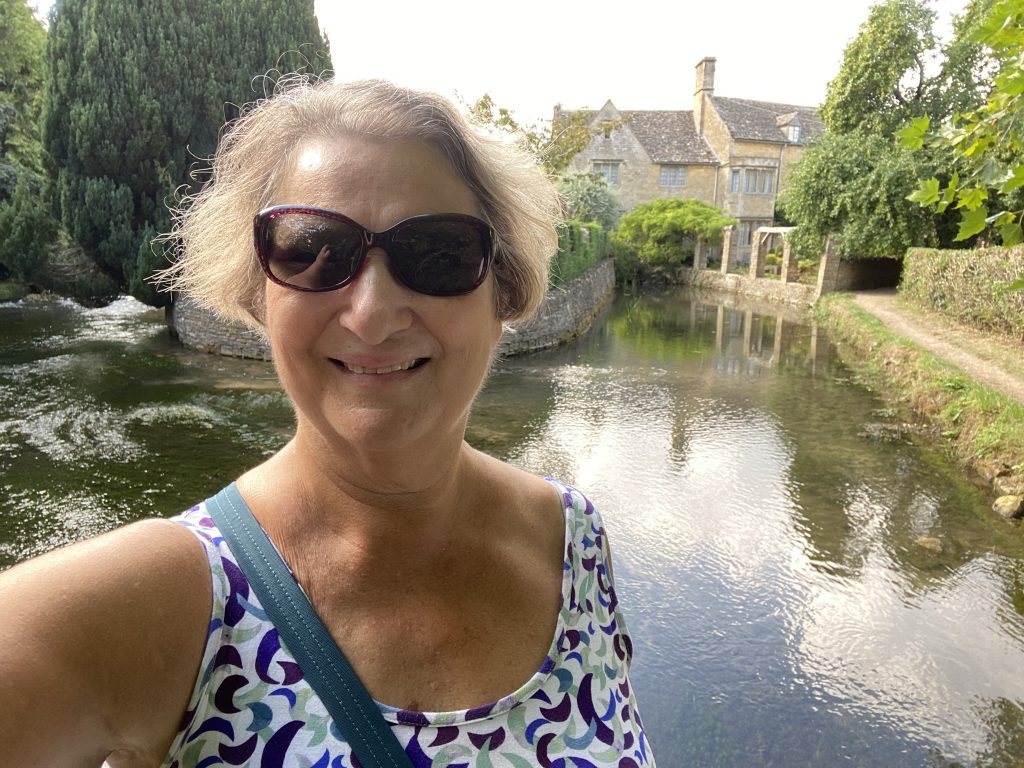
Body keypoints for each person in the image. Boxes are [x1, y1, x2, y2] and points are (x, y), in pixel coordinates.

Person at [0, 78, 653, 767]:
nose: (370, 311)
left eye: (438, 254)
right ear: (259, 296)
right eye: (311, 250)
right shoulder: (169, 602)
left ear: (506, 294)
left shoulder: (573, 542)